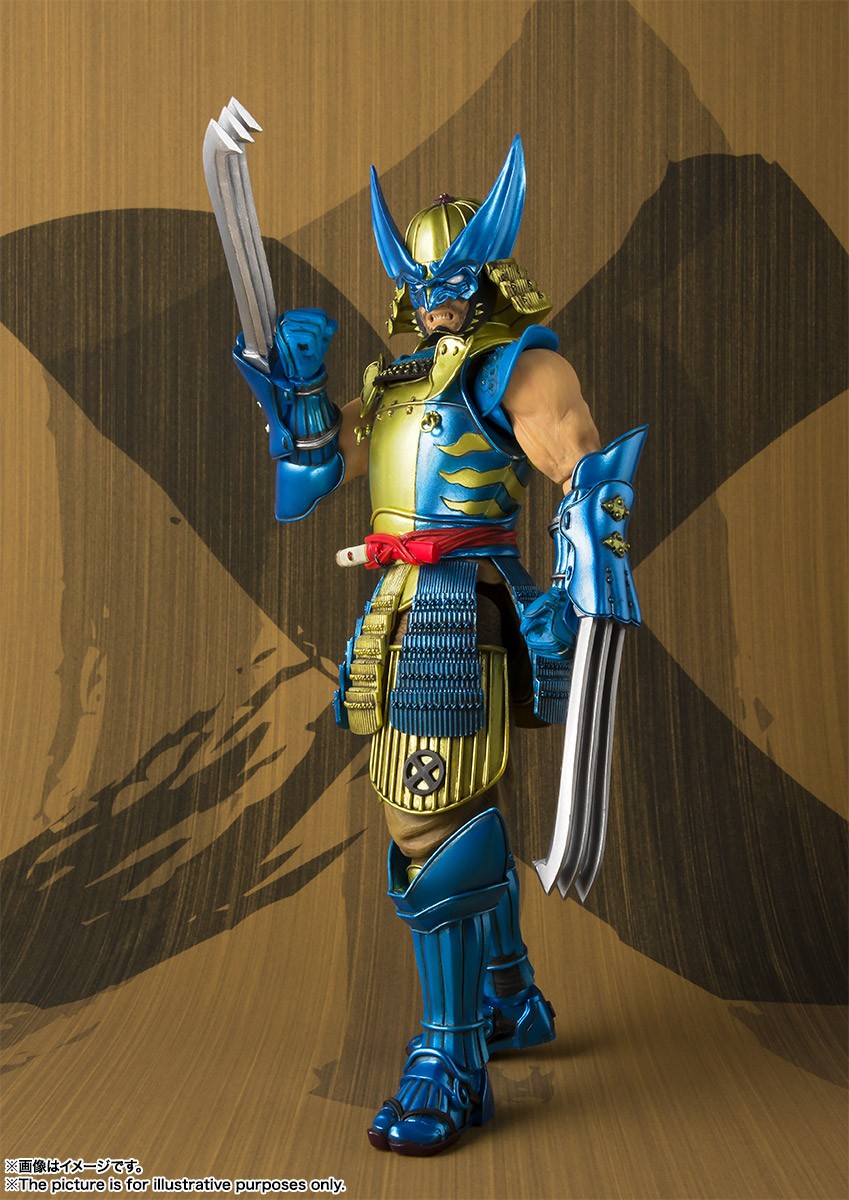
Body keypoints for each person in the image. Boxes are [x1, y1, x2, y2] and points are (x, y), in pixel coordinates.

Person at [231, 136, 644, 1156]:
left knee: (427, 823)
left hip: (461, 607)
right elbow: (306, 486)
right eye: (421, 287)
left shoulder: (521, 366)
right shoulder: (398, 377)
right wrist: (298, 394)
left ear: (490, 275)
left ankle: (449, 1059)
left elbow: (586, 476)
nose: (437, 303)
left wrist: (585, 583)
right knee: (456, 809)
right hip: (398, 602)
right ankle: (508, 995)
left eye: (453, 284)